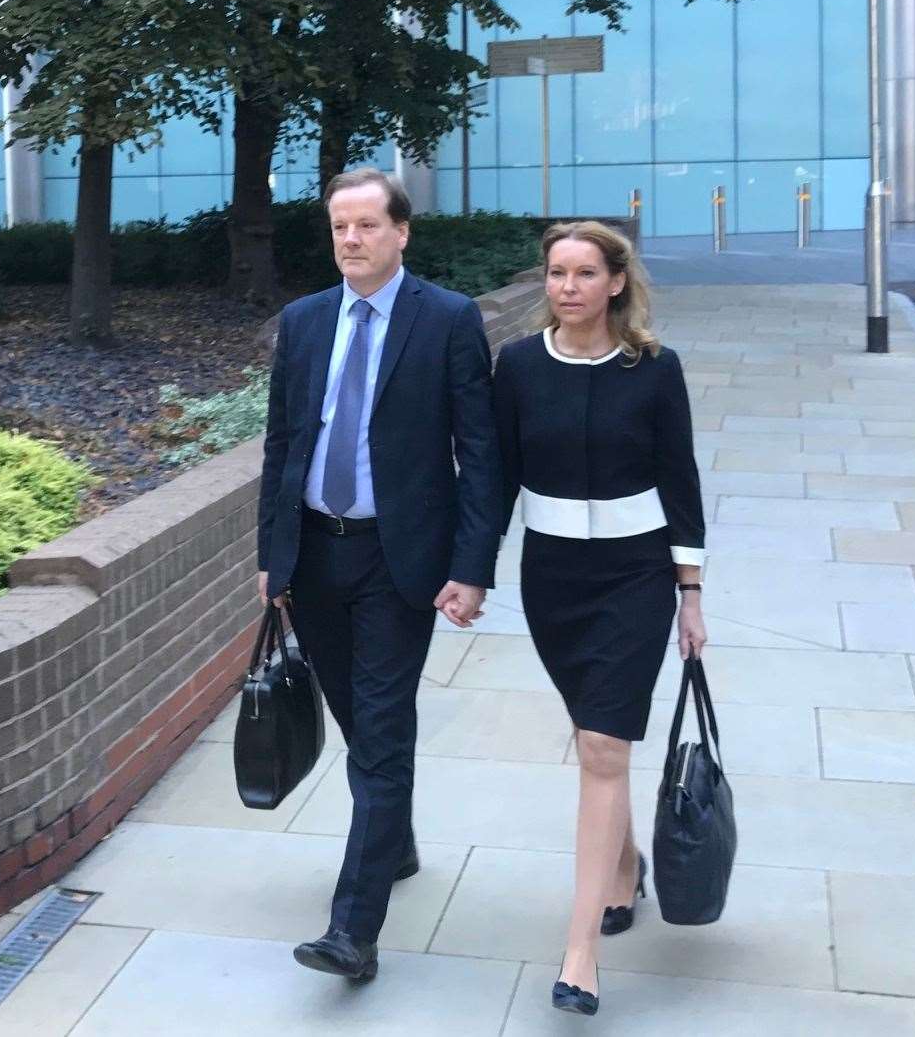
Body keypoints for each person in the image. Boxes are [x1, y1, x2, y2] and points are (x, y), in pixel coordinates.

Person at [255, 168, 501, 980]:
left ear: (401, 232)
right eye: (338, 228)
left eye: (366, 226)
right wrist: (272, 556)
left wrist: (472, 568)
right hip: (315, 554)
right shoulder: (303, 320)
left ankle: (352, 930)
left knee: (384, 730)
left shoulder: (448, 320)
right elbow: (284, 447)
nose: (350, 241)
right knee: (361, 722)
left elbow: (481, 454)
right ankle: (391, 843)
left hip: (400, 560)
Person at [492, 220, 706, 1015]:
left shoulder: (655, 370)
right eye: (555, 273)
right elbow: (497, 479)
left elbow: (680, 481)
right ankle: (624, 867)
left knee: (603, 744)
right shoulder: (516, 367)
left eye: (584, 274)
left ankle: (580, 952)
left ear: (616, 283)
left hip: (635, 576)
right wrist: (469, 572)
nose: (567, 288)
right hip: (553, 579)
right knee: (596, 737)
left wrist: (691, 593)